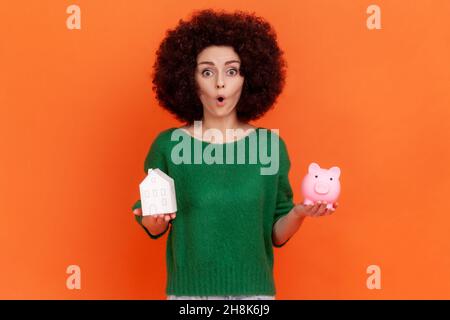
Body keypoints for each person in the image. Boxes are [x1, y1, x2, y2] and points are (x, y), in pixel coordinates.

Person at [131, 9, 339, 300]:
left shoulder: (270, 147)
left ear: (248, 77)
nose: (220, 83)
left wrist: (299, 212)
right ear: (189, 79)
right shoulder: (168, 146)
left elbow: (276, 234)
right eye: (207, 71)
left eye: (231, 71)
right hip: (190, 297)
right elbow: (153, 224)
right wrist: (154, 219)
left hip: (255, 297)